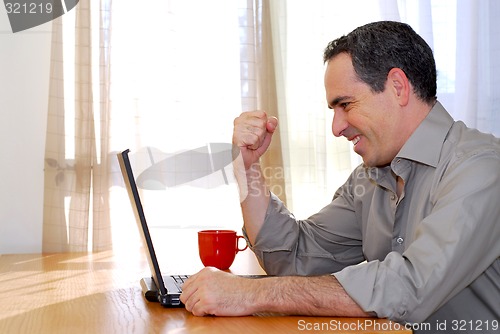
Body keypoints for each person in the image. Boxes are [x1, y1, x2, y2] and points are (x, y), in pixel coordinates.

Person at [180, 21, 500, 332]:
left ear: (398, 87)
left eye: (345, 104)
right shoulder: (370, 179)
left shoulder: (481, 167)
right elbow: (294, 258)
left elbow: (409, 287)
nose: (336, 127)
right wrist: (247, 168)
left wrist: (251, 293)